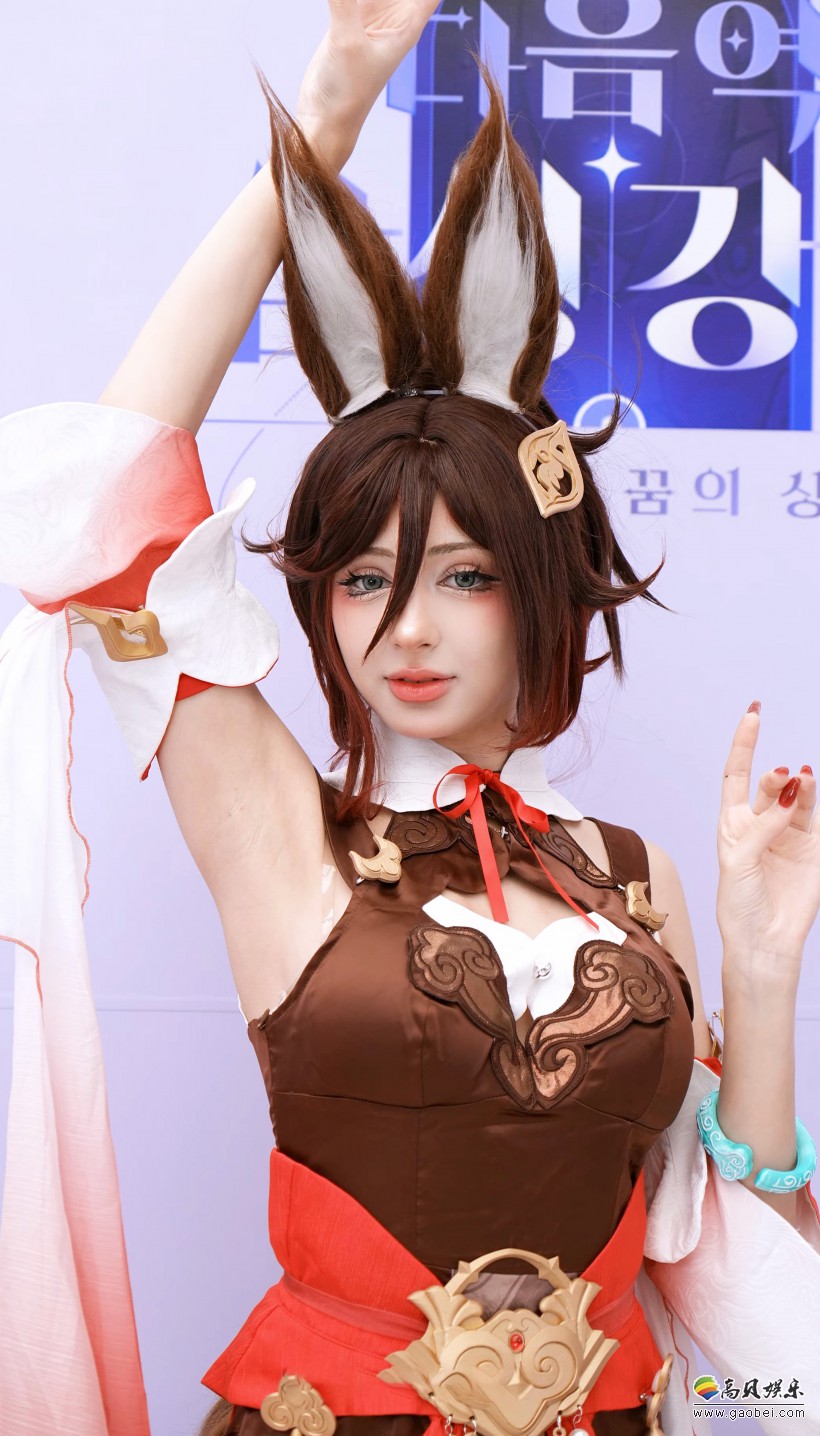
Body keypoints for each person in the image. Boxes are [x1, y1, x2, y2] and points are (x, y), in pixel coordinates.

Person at [1, 3, 820, 1435]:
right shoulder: (284, 831)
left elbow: (725, 1250)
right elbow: (103, 506)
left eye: (464, 575)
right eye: (365, 578)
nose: (408, 627)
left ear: (541, 590)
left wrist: (760, 966)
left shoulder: (632, 875)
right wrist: (319, 127)